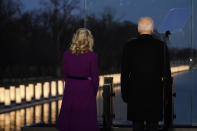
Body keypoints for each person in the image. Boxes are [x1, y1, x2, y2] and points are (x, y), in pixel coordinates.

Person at [121, 17, 172, 131]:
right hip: (154, 94)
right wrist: (167, 95)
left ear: (138, 28)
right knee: (153, 125)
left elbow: (124, 73)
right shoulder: (161, 46)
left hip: (135, 94)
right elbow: (167, 74)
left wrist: (125, 94)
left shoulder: (129, 46)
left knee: (137, 125)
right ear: (152, 29)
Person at [55, 28, 99, 131]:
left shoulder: (66, 55)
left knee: (70, 121)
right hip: (86, 90)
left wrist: (71, 83)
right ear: (89, 40)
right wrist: (92, 92)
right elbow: (95, 79)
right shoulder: (92, 56)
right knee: (85, 121)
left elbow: (65, 74)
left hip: (71, 88)